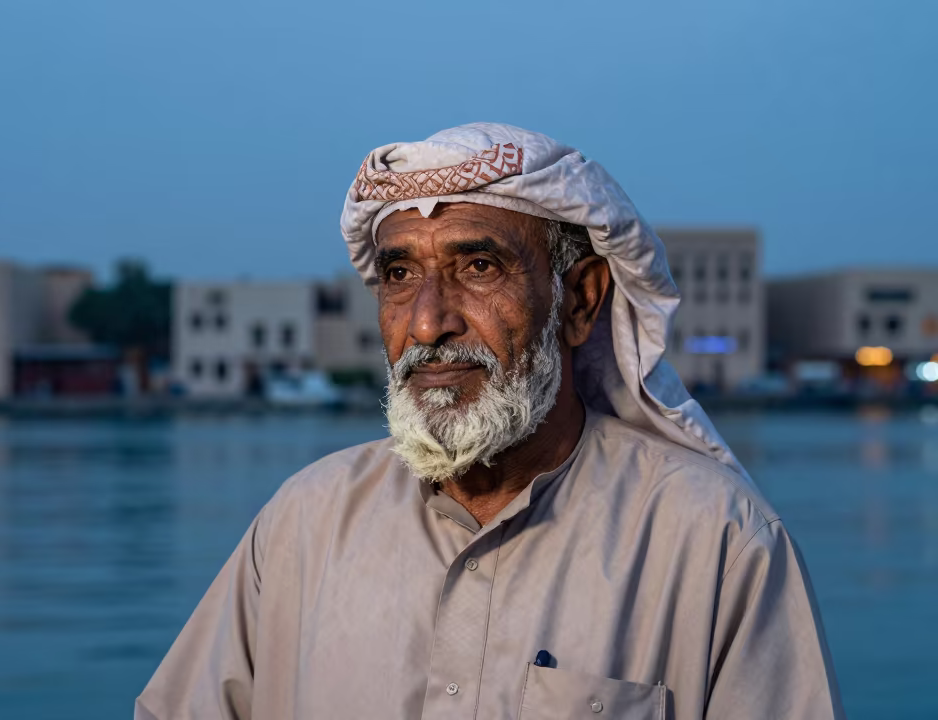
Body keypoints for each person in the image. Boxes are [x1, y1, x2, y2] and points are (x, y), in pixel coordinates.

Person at [136, 123, 843, 719]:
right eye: (400, 275)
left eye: (478, 266)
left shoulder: (716, 539)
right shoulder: (302, 523)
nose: (428, 322)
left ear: (579, 303)